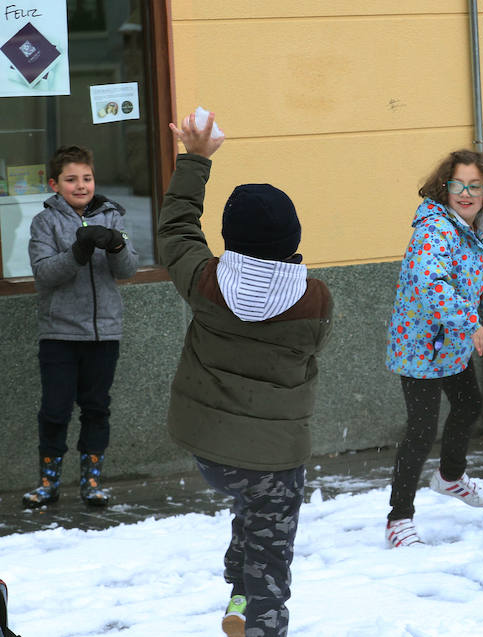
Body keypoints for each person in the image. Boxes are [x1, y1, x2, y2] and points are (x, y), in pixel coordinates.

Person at [161, 112, 333, 636]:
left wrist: (195, 159)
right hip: (275, 461)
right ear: (292, 238)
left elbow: (177, 228)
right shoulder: (315, 300)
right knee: (271, 551)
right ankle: (258, 618)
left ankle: (239, 595)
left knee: (249, 503)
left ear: (230, 238)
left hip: (209, 451)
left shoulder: (204, 282)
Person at [384, 149, 483, 548]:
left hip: (452, 342)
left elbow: (473, 277)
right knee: (421, 431)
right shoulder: (434, 229)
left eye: (475, 186)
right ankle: (398, 518)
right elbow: (432, 283)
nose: (466, 193)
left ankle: (450, 478)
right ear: (446, 186)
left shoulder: (481, 225)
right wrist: (468, 321)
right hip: (420, 343)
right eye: (458, 185)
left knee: (468, 407)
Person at [23, 145, 138, 508]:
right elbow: (43, 274)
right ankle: (48, 483)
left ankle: (91, 483)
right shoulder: (46, 222)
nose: (81, 185)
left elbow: (128, 270)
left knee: (96, 408)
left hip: (104, 332)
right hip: (59, 332)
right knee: (55, 409)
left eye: (86, 178)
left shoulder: (111, 215)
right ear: (55, 185)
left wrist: (116, 245)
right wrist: (76, 252)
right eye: (71, 180)